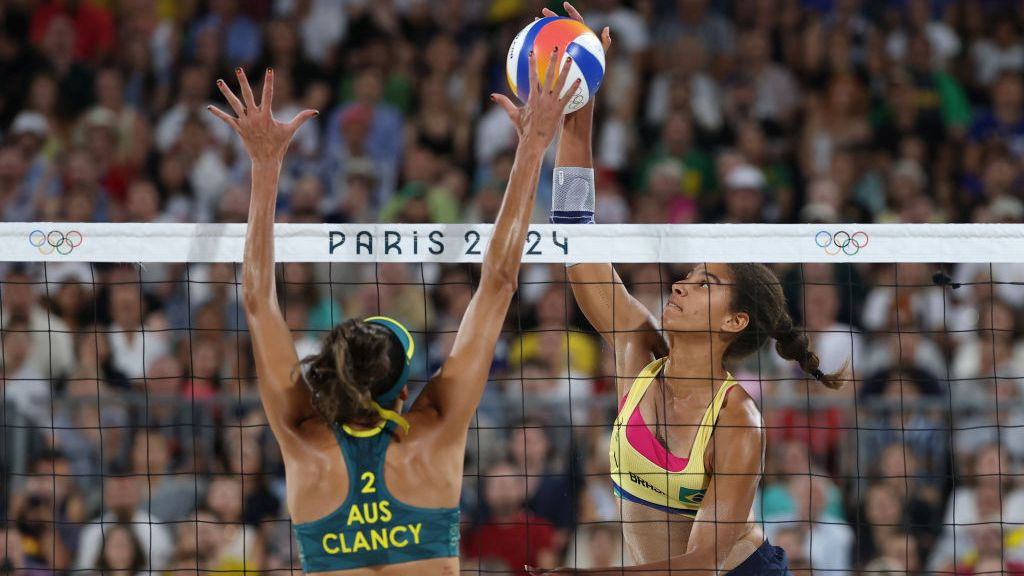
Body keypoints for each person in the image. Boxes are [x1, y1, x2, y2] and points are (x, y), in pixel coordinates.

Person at [207, 56, 579, 574]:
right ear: (404, 388)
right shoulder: (433, 432)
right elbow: (498, 284)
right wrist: (534, 147)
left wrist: (264, 166)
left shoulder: (304, 442)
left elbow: (255, 299)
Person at [530, 4, 845, 575]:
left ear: (735, 321)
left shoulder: (737, 420)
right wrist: (580, 108)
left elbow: (701, 565)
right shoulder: (636, 349)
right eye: (690, 274)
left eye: (706, 282)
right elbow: (575, 236)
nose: (681, 282)